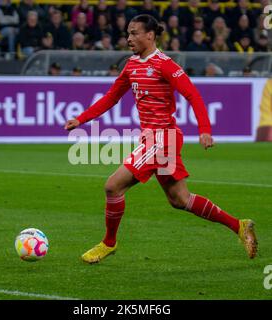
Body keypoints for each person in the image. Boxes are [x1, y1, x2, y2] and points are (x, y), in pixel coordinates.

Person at [64, 14, 258, 264]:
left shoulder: (165, 64)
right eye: (127, 33)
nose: (129, 38)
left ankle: (108, 243)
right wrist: (81, 119)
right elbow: (111, 97)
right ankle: (239, 226)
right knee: (180, 200)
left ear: (150, 35)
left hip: (162, 139)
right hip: (152, 139)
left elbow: (193, 96)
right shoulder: (131, 66)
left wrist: (205, 129)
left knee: (113, 186)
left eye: (134, 33)